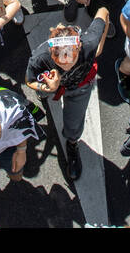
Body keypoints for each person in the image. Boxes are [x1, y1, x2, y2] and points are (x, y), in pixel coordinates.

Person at [25, 10, 109, 180]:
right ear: (51, 52)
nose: (66, 66)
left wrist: (100, 45)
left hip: (80, 87)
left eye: (72, 59)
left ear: (79, 47)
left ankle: (71, 144)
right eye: (59, 61)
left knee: (73, 124)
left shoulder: (90, 42)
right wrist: (48, 87)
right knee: (41, 90)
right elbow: (29, 80)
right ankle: (45, 93)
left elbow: (103, 12)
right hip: (50, 84)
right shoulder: (40, 57)